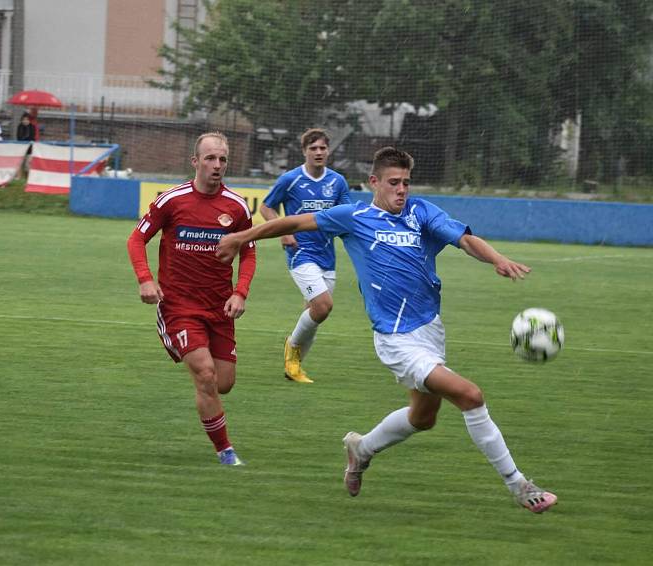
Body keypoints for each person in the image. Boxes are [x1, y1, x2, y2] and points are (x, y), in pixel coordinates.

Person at [216, 146, 558, 512]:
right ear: (373, 182)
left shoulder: (421, 212)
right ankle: (519, 484)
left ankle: (361, 449)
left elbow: (464, 239)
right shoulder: (354, 216)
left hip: (430, 330)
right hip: (396, 339)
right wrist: (241, 237)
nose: (401, 190)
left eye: (406, 183)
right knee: (470, 396)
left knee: (422, 418)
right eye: (394, 183)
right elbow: (294, 222)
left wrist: (497, 259)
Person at [126, 132, 256, 466]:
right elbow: (136, 240)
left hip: (219, 307)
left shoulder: (237, 207)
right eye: (210, 158)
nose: (217, 165)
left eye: (223, 159)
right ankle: (226, 452)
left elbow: (249, 254)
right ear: (195, 162)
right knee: (206, 375)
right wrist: (145, 279)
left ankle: (207, 396)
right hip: (179, 306)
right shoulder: (172, 201)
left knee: (224, 383)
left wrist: (240, 292)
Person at [259, 128, 350, 384]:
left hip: (327, 256)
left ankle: (294, 367)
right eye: (313, 148)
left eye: (322, 148)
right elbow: (266, 207)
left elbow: (346, 213)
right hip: (300, 253)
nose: (319, 152)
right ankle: (292, 349)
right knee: (323, 306)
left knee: (314, 313)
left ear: (328, 151)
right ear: (304, 152)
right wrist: (283, 231)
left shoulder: (338, 182)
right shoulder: (290, 179)